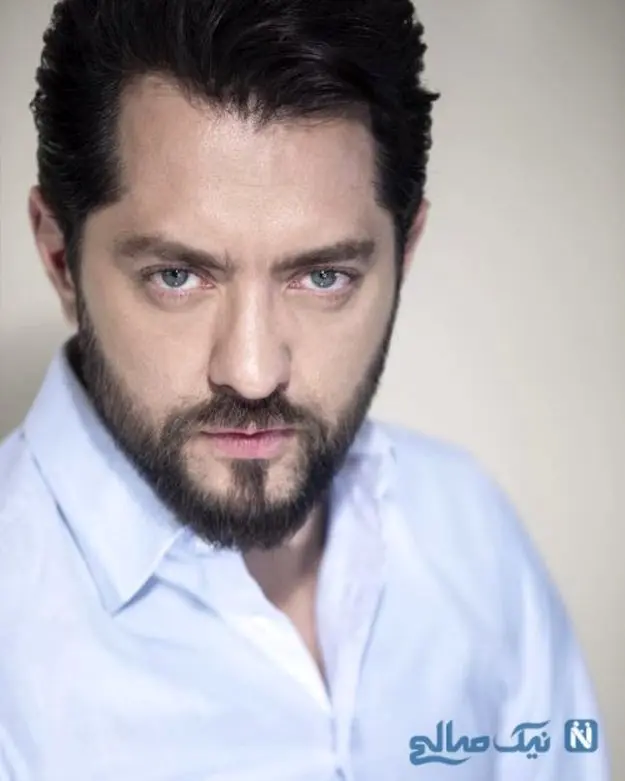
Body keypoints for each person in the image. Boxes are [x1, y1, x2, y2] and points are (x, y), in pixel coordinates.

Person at [0, 1, 610, 779]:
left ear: (404, 252)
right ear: (60, 259)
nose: (253, 371)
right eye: (176, 276)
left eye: (323, 276)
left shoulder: (469, 529)